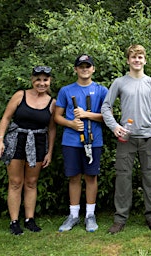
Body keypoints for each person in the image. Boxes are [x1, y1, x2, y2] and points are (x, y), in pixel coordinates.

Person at [101, 44, 151, 234]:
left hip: (149, 139)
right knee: (123, 179)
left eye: (140, 57)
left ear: (145, 60)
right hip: (126, 139)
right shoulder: (119, 83)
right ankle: (120, 218)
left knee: (150, 179)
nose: (137, 60)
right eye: (133, 57)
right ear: (128, 60)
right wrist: (114, 126)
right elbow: (106, 107)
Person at [0, 66, 56, 235]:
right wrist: (0, 140)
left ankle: (30, 219)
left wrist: (49, 152)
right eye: (38, 79)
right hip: (16, 141)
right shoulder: (20, 95)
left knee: (31, 182)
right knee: (15, 182)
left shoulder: (52, 103)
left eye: (45, 80)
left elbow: (51, 129)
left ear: (49, 82)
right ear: (32, 80)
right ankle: (14, 221)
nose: (41, 83)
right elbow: (6, 117)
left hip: (38, 143)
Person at [54, 54, 108, 232]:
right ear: (76, 69)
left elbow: (108, 117)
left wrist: (86, 115)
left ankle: (90, 215)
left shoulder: (102, 91)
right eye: (81, 66)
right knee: (74, 177)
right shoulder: (66, 91)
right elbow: (57, 116)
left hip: (94, 140)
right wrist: (70, 123)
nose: (85, 69)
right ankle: (74, 215)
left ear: (93, 69)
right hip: (71, 141)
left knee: (91, 177)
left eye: (88, 66)